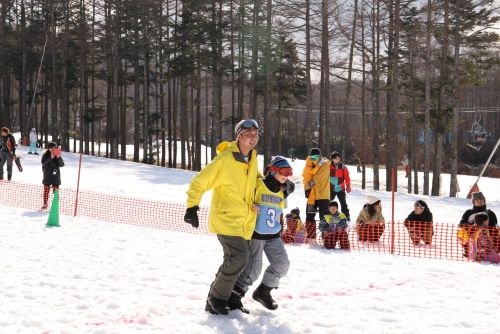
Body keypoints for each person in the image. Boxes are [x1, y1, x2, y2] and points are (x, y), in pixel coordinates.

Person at [184, 119, 260, 315]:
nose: (253, 138)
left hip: (244, 221)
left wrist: (275, 185)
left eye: (256, 134)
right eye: (249, 134)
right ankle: (216, 299)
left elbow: (255, 182)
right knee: (238, 257)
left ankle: (226, 298)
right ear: (239, 136)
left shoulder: (252, 158)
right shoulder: (225, 159)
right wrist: (192, 207)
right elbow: (199, 182)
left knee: (238, 259)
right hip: (226, 219)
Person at [229, 156, 293, 313]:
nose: (287, 175)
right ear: (273, 170)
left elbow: (283, 202)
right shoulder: (258, 184)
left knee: (282, 264)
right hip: (256, 234)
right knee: (254, 269)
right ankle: (234, 297)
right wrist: (250, 207)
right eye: (284, 171)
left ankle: (263, 292)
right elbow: (243, 197)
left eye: (289, 172)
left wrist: (289, 187)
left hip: (273, 235)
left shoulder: (282, 190)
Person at [457, 191, 499, 257]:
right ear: (473, 202)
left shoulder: (490, 213)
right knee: (461, 231)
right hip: (472, 234)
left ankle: (491, 250)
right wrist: (470, 226)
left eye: (481, 200)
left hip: (487, 235)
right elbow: (461, 223)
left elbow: (494, 225)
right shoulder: (468, 212)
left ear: (484, 201)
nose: (479, 202)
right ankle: (469, 249)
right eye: (477, 200)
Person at [302, 147, 331, 242]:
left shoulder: (325, 163)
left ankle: (325, 235)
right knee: (309, 215)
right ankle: (310, 235)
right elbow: (306, 177)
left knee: (324, 216)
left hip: (323, 194)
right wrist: (306, 188)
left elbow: (319, 178)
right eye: (312, 156)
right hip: (312, 195)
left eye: (316, 156)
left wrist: (310, 183)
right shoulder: (308, 165)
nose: (314, 158)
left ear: (320, 155)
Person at [41, 142, 65, 209]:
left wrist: (58, 157)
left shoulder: (58, 154)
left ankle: (55, 205)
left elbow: (62, 165)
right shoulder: (45, 154)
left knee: (56, 192)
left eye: (54, 148)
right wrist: (50, 158)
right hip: (47, 175)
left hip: (55, 176)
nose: (53, 149)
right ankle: (45, 203)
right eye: (51, 148)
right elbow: (43, 163)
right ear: (49, 148)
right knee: (46, 191)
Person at [329, 151, 351, 221]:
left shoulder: (343, 167)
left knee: (343, 203)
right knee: (327, 201)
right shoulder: (329, 166)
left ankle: (346, 216)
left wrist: (348, 186)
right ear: (332, 159)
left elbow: (347, 177)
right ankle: (327, 214)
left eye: (338, 158)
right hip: (331, 188)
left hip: (340, 188)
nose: (337, 159)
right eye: (335, 158)